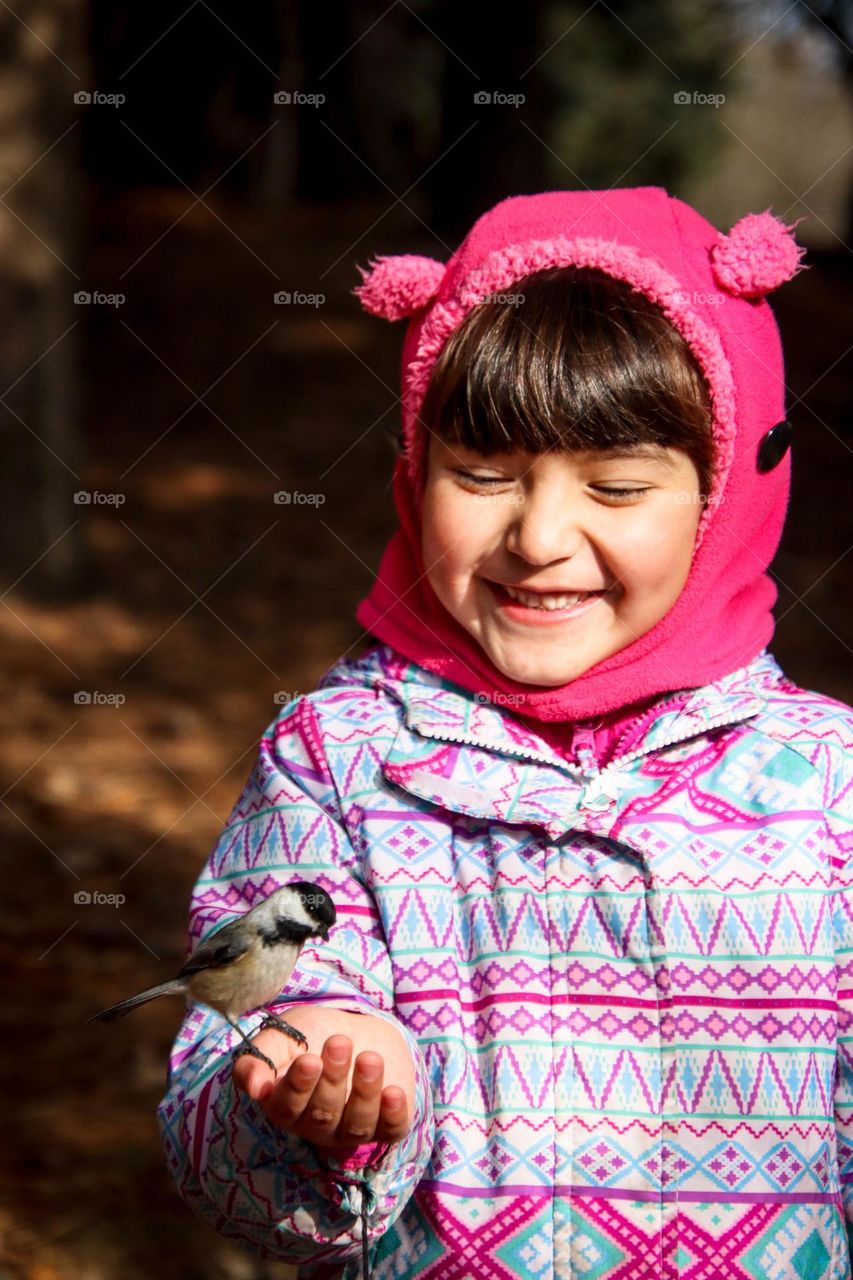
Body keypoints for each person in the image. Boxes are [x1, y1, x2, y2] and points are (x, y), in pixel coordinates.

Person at [156, 188, 853, 1280]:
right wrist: (316, 1090)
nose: (537, 536)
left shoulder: (828, 787)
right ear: (411, 469)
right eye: (481, 475)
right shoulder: (340, 761)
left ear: (727, 497)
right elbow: (226, 1077)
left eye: (616, 485)